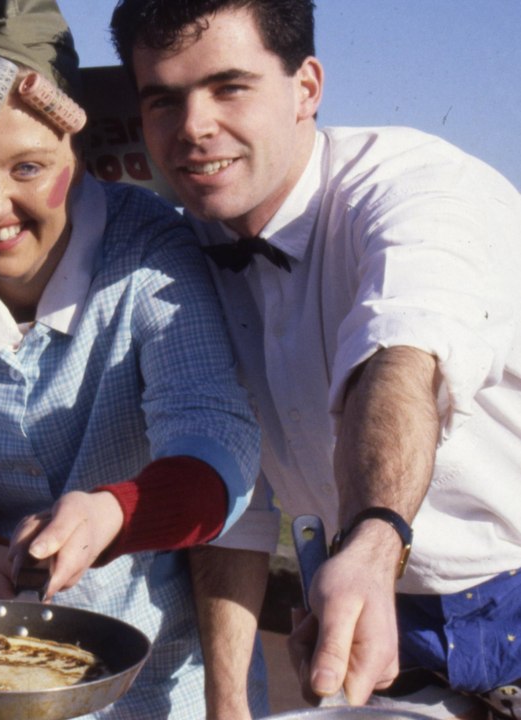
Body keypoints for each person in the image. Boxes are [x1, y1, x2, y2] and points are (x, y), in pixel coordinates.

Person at [109, 1, 521, 718]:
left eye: (228, 87)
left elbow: (400, 362)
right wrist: (227, 701)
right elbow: (239, 501)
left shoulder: (415, 189)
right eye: (163, 99)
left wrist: (369, 540)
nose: (194, 126)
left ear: (305, 87)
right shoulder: (187, 246)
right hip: (364, 618)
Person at [0, 0, 269, 716]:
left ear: (76, 155)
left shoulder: (149, 251)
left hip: (139, 665)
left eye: (28, 167)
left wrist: (114, 514)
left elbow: (217, 442)